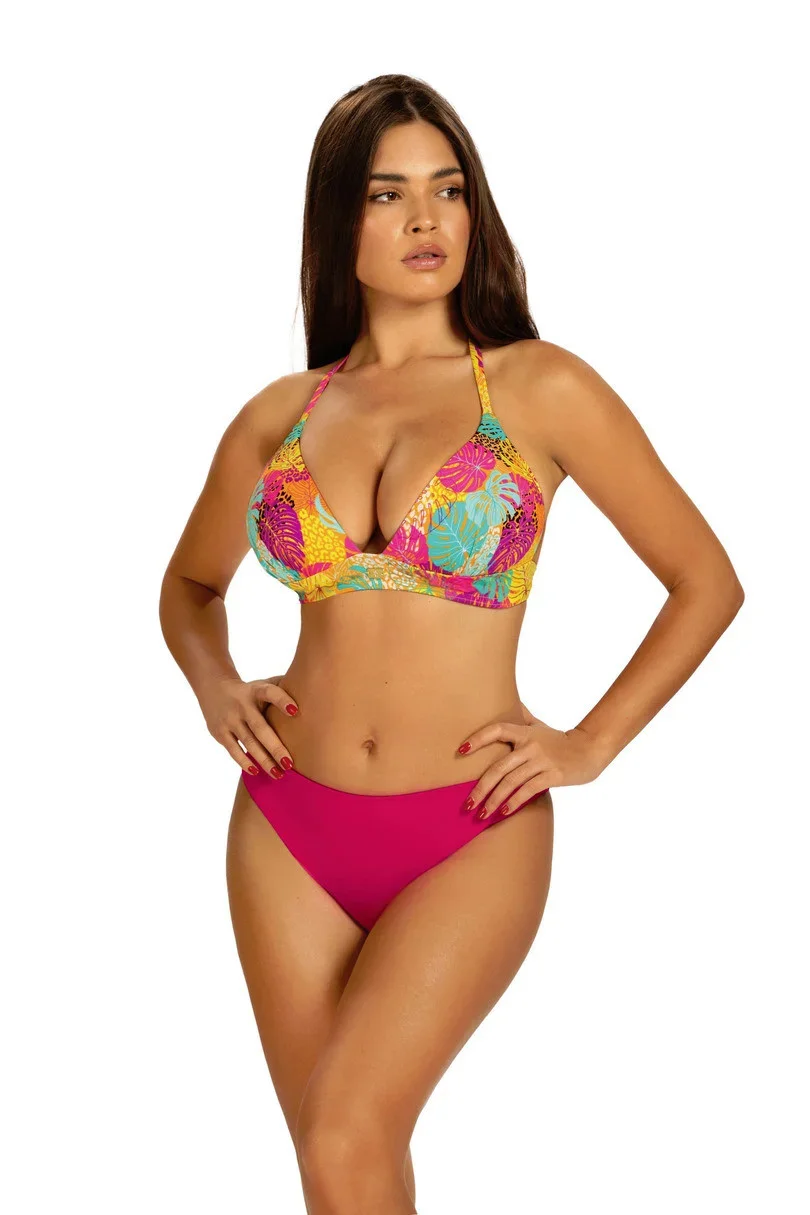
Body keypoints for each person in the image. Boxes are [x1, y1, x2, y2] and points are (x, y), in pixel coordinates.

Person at [158, 73, 744, 1215]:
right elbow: (188, 587)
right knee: (340, 1165)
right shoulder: (279, 415)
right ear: (339, 219)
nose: (427, 219)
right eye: (388, 194)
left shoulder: (540, 387)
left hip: (470, 823)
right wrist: (214, 681)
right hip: (286, 822)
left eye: (449, 188)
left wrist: (589, 744)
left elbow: (705, 582)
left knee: (345, 1128)